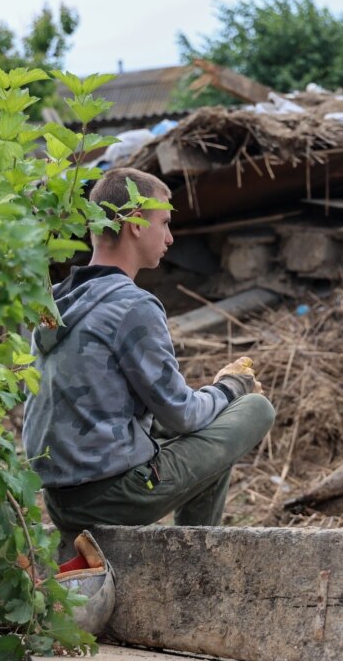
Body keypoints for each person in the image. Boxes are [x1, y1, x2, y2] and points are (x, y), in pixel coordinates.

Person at [23, 168, 275, 532]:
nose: (170, 238)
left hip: (60, 502)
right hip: (114, 499)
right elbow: (183, 416)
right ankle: (195, 553)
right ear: (136, 224)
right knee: (252, 408)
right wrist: (233, 386)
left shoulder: (56, 303)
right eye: (165, 223)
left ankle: (194, 545)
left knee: (209, 417)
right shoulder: (132, 306)